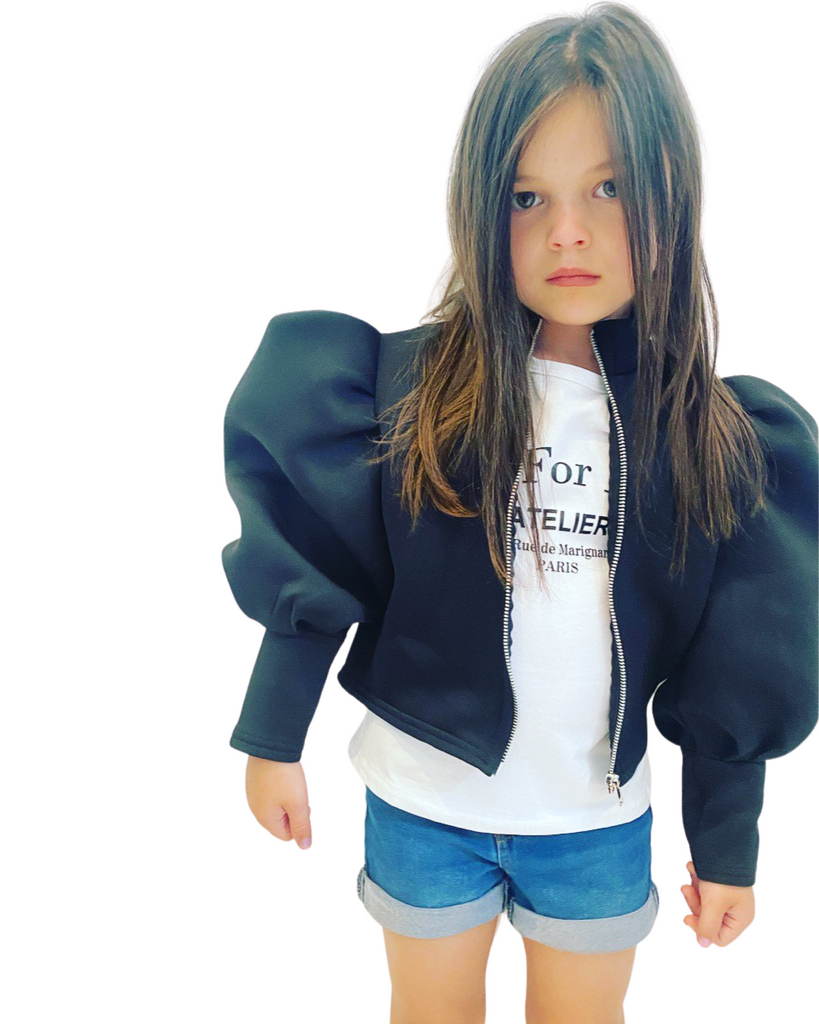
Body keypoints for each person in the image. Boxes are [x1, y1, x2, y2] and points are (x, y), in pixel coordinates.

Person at [220, 5, 818, 1023]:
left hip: (594, 823)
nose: (566, 230)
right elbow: (323, 557)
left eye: (609, 189)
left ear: (672, 196)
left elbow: (740, 656)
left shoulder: (710, 435)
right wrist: (273, 732)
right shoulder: (405, 392)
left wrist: (727, 845)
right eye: (526, 195)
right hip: (424, 802)